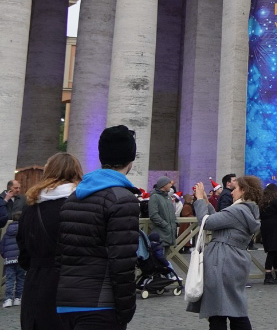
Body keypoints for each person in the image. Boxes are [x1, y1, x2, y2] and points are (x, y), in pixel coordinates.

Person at [56, 125, 140, 329]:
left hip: (66, 303)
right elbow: (122, 263)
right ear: (130, 160)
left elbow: (61, 254)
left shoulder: (74, 197)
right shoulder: (122, 199)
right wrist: (126, 310)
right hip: (100, 305)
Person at [16, 152, 83, 327]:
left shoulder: (30, 207)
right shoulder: (83, 206)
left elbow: (23, 253)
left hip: (36, 283)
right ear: (77, 173)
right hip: (72, 284)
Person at [190, 175, 262, 329]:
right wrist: (208, 203)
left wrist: (200, 200)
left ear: (243, 191)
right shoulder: (247, 210)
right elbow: (219, 219)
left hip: (223, 260)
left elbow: (207, 222)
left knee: (218, 311)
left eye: (235, 188)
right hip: (234, 259)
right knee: (234, 307)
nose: (231, 192)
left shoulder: (237, 210)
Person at [1, 210, 23, 308]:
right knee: (21, 278)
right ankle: (18, 298)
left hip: (9, 259)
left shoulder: (7, 233)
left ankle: (8, 299)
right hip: (20, 258)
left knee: (9, 279)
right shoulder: (23, 231)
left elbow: (2, 246)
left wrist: (5, 255)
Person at [148, 175, 176, 248]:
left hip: (169, 234)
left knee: (165, 257)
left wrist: (174, 224)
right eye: (169, 183)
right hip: (160, 234)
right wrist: (166, 225)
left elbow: (172, 213)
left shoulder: (168, 197)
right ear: (164, 185)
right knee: (159, 257)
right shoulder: (154, 197)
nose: (171, 185)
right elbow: (153, 215)